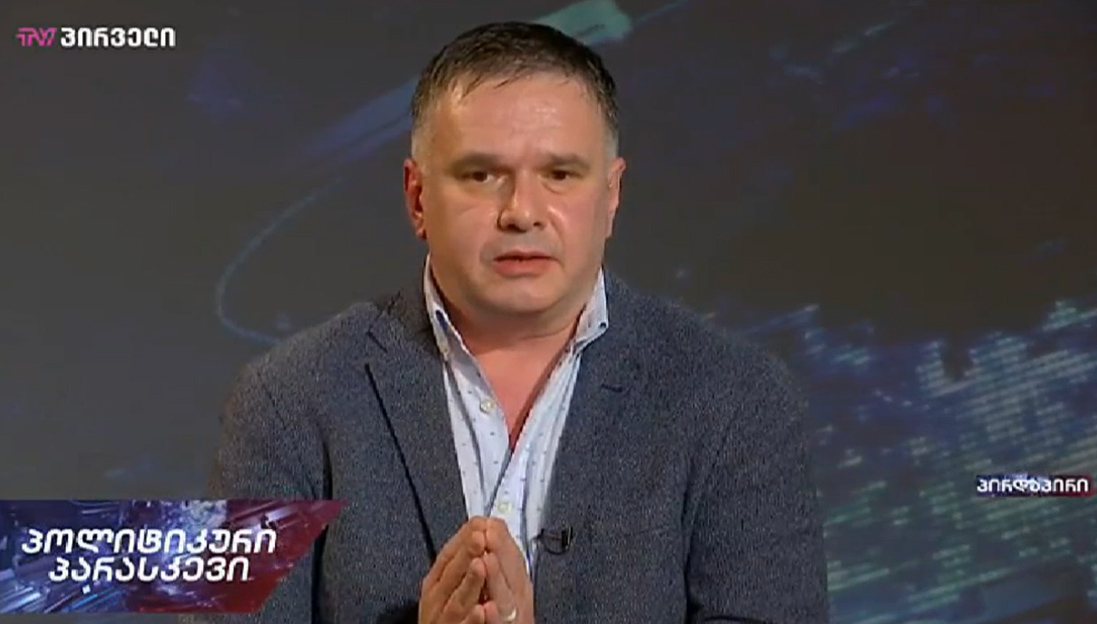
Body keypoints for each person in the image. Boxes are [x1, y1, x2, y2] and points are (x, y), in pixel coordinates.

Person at [186, 21, 827, 624]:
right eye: (482, 174)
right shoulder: (281, 400)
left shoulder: (739, 399)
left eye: (559, 174)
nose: (522, 211)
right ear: (417, 197)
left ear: (611, 196)